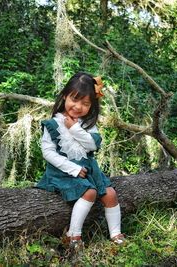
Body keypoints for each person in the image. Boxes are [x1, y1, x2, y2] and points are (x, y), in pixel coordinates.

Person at [36, 71, 125, 250]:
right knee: (90, 192)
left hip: (89, 171)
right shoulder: (53, 125)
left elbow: (92, 145)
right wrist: (73, 169)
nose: (78, 107)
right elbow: (48, 153)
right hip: (62, 172)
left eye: (85, 103)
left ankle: (116, 234)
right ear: (64, 96)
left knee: (110, 194)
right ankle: (73, 235)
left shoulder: (88, 124)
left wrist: (75, 128)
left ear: (92, 106)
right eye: (74, 100)